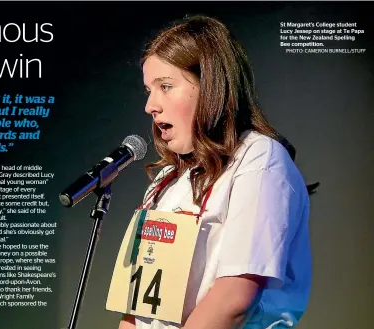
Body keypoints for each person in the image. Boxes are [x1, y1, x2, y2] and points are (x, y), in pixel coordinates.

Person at [118, 15, 315, 329]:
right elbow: (136, 308)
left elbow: (233, 299)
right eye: (148, 91)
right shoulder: (167, 177)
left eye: (166, 86)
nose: (151, 105)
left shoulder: (259, 158)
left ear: (210, 85)